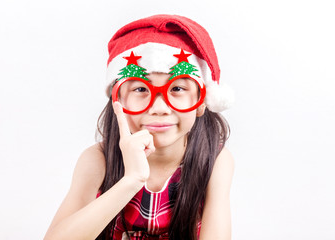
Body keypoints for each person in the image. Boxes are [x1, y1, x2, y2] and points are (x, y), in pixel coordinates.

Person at [44, 14, 235, 240]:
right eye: (141, 89)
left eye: (178, 89)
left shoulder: (214, 161)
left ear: (201, 103)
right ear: (118, 101)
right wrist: (131, 180)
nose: (159, 107)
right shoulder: (98, 159)